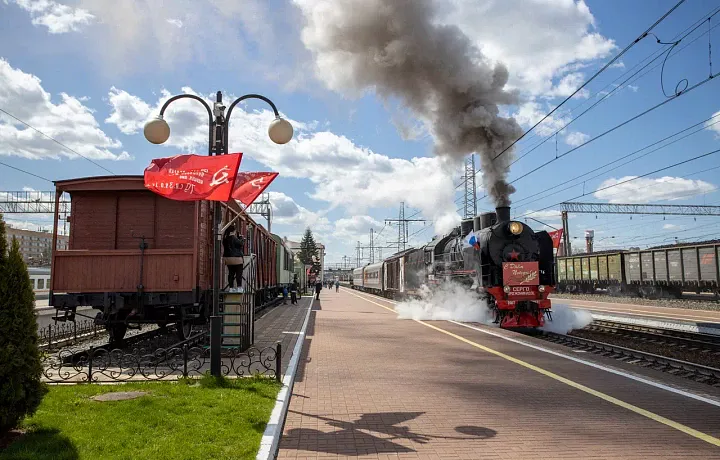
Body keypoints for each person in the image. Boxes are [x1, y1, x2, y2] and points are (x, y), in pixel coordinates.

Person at [222, 225, 245, 293]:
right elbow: (241, 244)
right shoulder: (234, 238)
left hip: (228, 259)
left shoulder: (225, 238)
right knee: (239, 273)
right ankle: (239, 288)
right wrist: (241, 238)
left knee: (231, 273)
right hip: (237, 259)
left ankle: (231, 288)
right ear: (234, 231)